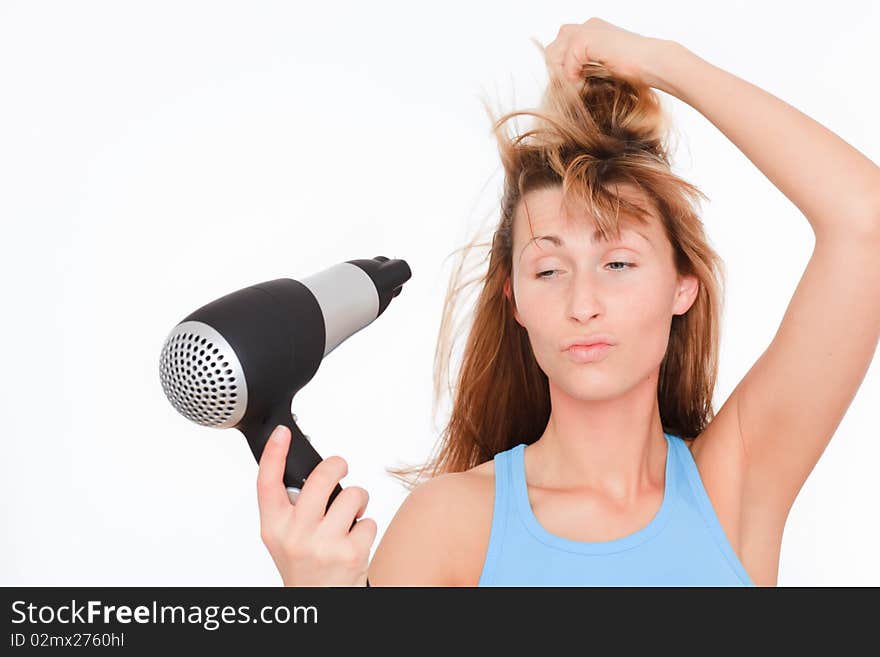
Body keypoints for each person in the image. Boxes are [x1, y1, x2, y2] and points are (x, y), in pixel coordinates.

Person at [256, 18, 880, 587]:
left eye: (617, 263)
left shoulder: (736, 487)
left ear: (682, 285)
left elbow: (866, 220)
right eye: (549, 269)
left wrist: (663, 61)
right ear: (516, 300)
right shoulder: (449, 529)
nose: (584, 303)